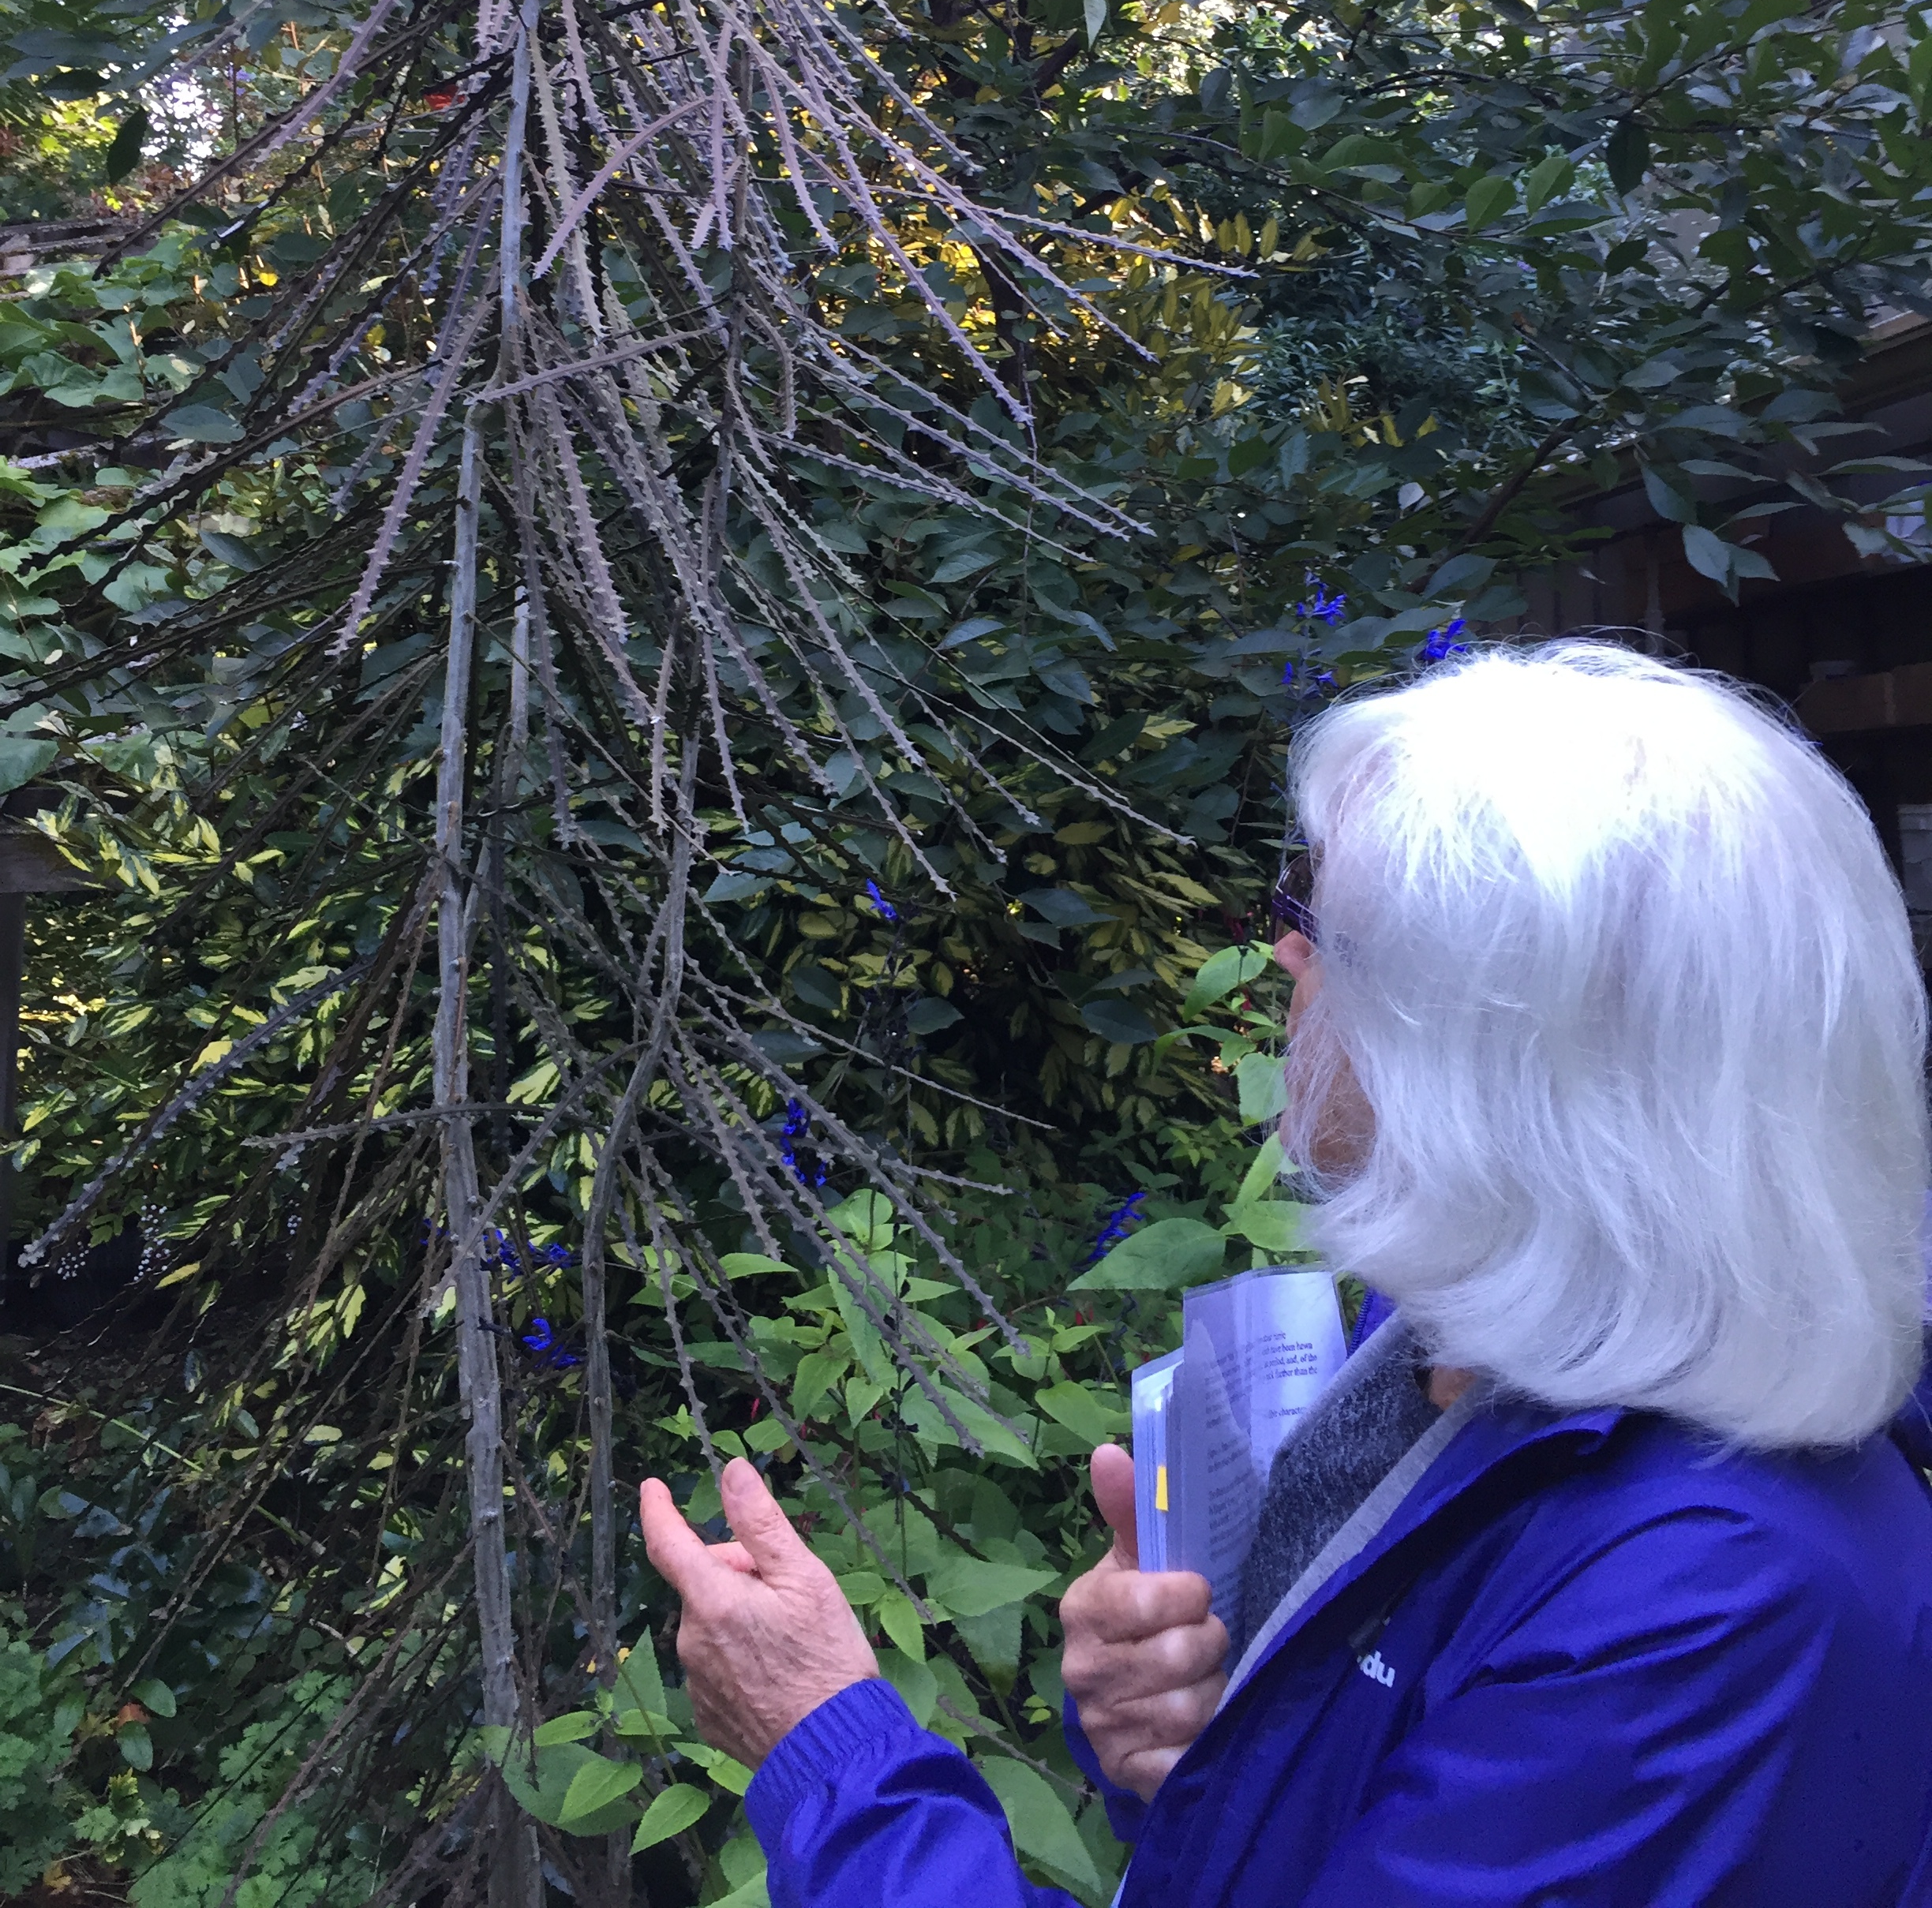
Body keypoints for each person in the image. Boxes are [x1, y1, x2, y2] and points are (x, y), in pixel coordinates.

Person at [640, 641, 1932, 1905]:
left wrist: (828, 1751)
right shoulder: (1477, 1350)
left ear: (1499, 1057)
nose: (1280, 956)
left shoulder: (1702, 1617)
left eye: (1322, 919)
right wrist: (1196, 1739)